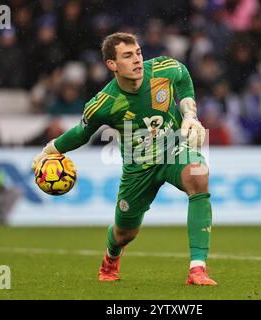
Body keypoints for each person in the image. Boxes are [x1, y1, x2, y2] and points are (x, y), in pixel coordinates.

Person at [32, 32, 217, 286]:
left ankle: (197, 269)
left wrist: (189, 114)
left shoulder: (164, 69)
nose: (138, 60)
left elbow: (183, 75)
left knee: (198, 174)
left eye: (138, 53)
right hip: (138, 168)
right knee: (124, 233)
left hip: (174, 149)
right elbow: (80, 133)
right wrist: (49, 150)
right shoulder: (104, 103)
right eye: (128, 56)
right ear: (112, 64)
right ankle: (111, 256)